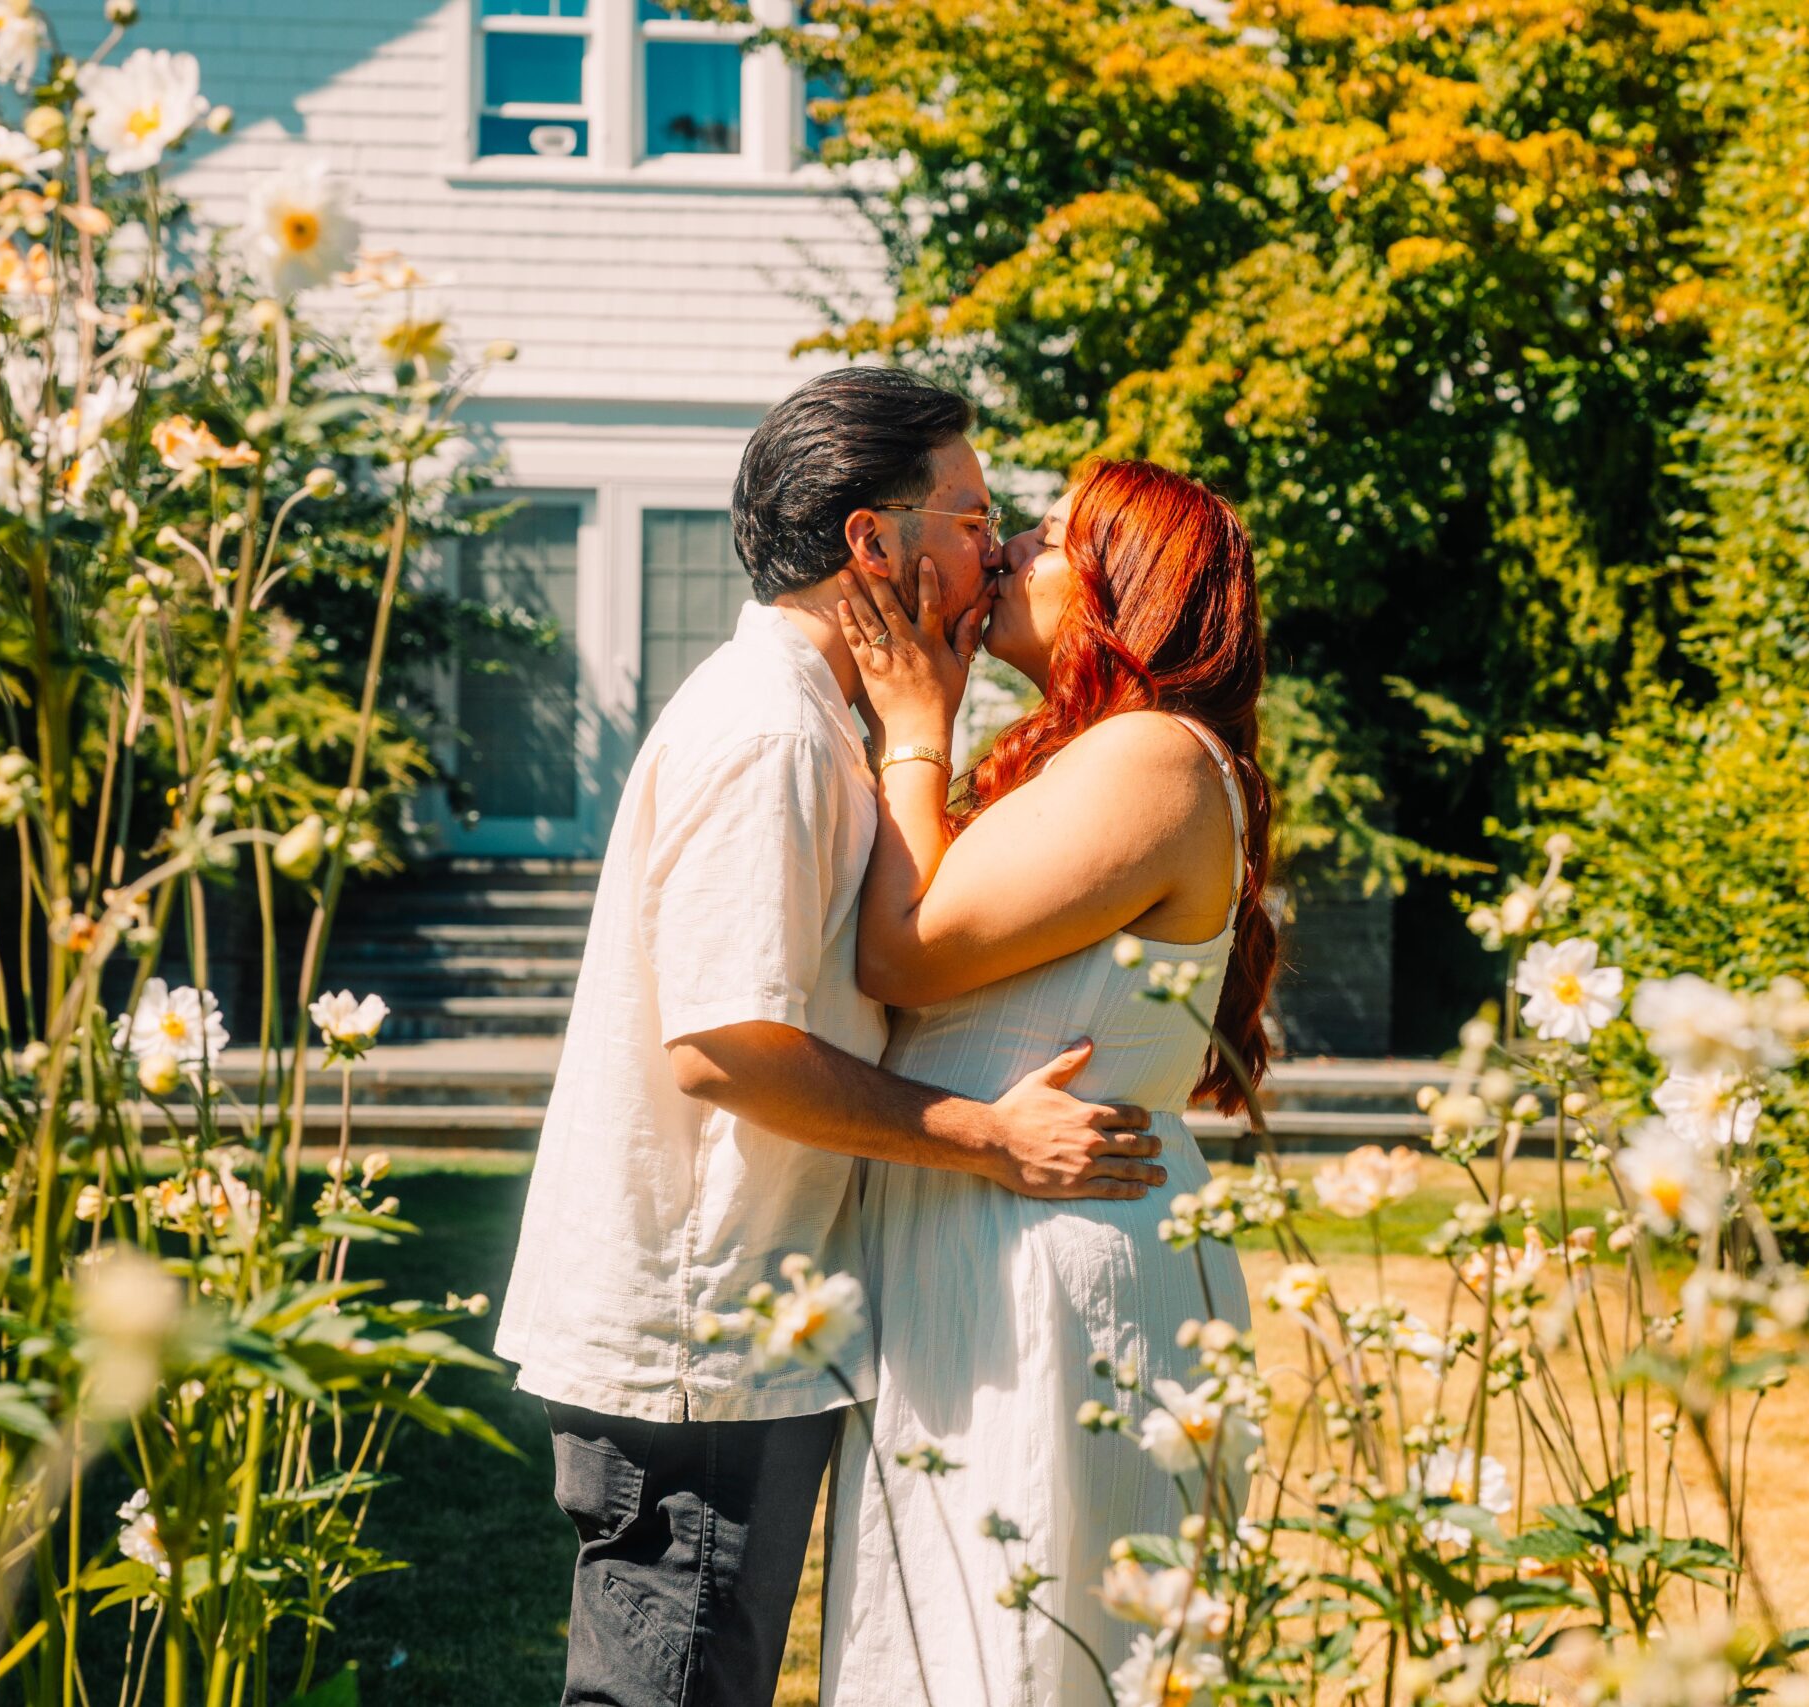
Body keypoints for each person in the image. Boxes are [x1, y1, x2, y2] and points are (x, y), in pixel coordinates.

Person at [494, 370, 1173, 1707]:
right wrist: (988, 1137)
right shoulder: (775, 736)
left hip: (746, 1317)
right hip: (702, 1332)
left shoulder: (817, 719)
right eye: (974, 515)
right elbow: (726, 1044)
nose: (997, 547)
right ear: (875, 540)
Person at [817, 459, 1276, 1705]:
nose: (1010, 546)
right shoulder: (1093, 757)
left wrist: (917, 731)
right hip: (986, 1233)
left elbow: (902, 950)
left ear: (1133, 588)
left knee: (1032, 1652)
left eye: (1053, 534)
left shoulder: (1155, 761)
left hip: (1054, 1265)